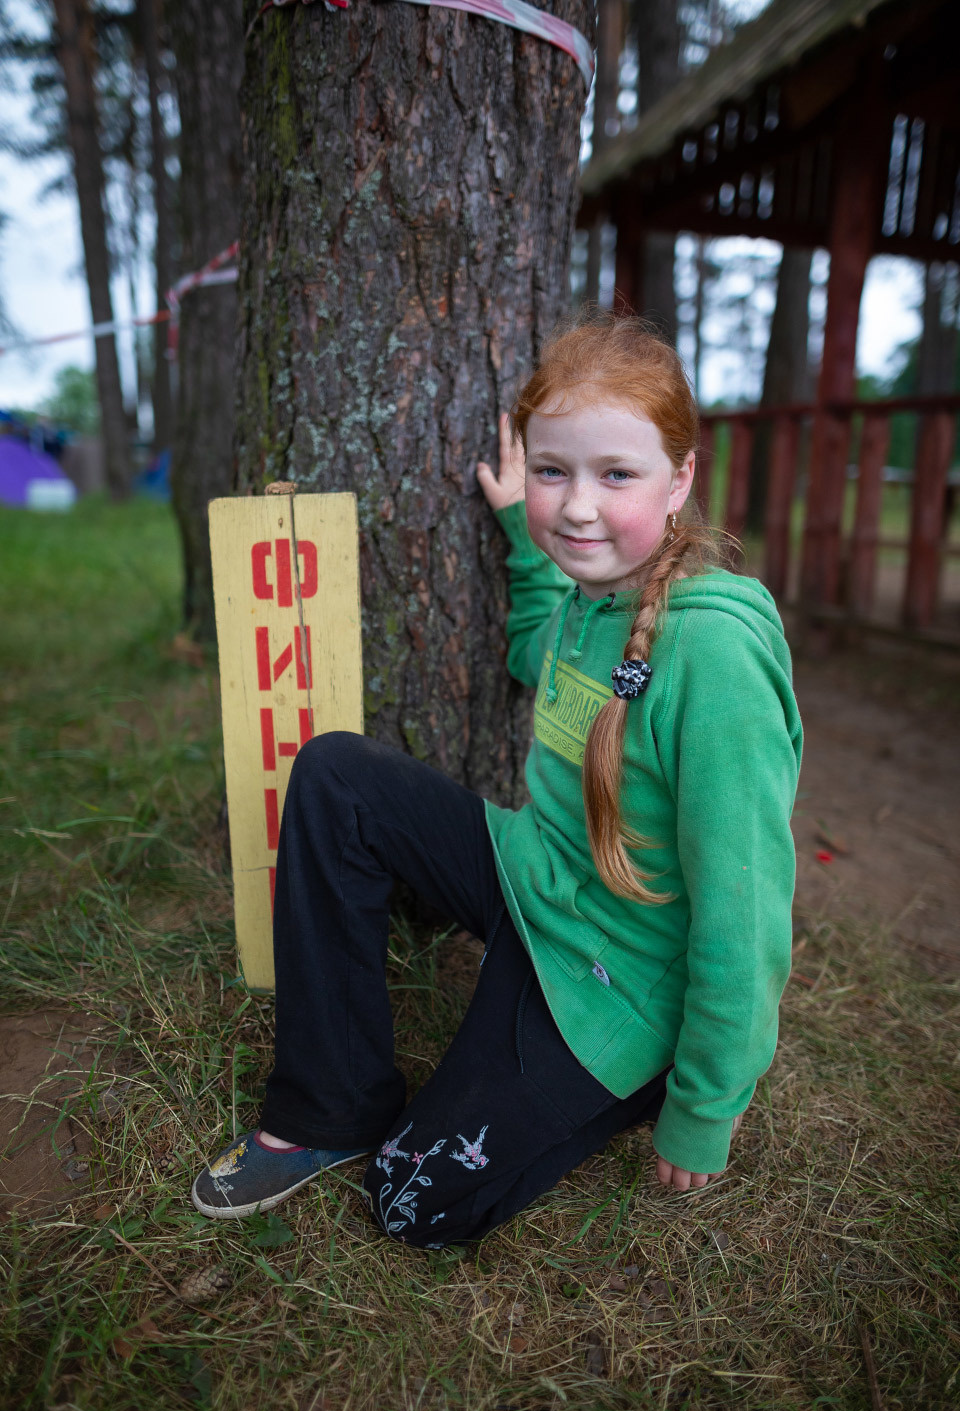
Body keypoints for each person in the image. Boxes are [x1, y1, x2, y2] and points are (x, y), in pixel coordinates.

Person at [190, 315, 802, 1246]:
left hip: (616, 972)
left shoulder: (713, 657)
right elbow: (538, 652)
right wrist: (523, 531)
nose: (578, 506)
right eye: (555, 472)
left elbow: (744, 910)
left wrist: (705, 1106)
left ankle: (622, 1081)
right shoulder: (592, 601)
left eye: (617, 474)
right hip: (534, 880)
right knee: (336, 776)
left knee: (412, 1203)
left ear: (680, 479)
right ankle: (330, 1105)